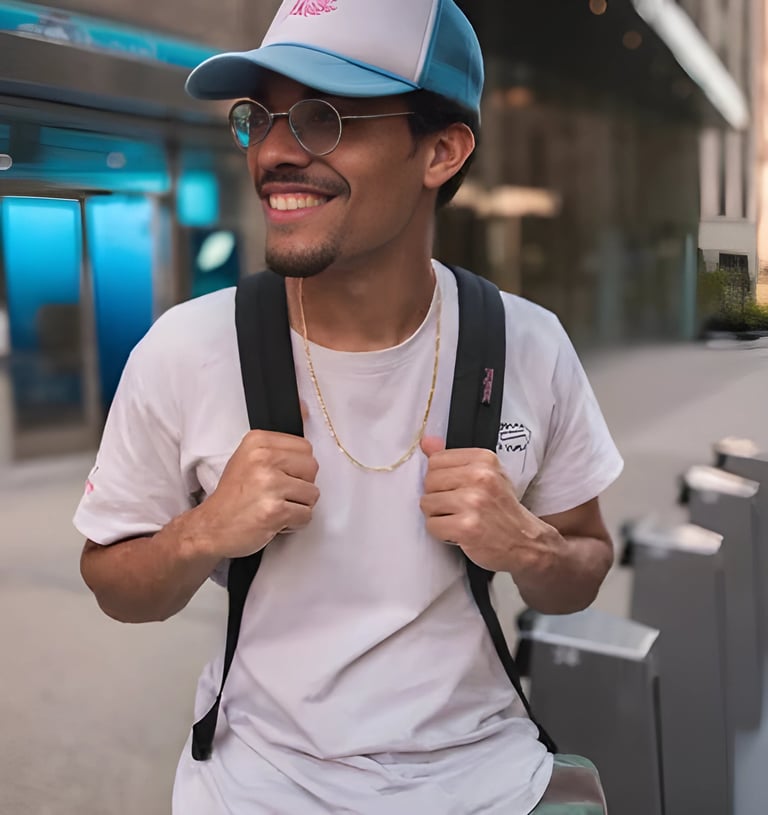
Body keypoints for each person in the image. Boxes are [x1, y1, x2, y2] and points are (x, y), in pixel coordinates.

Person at [75, 0, 623, 812]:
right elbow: (115, 584)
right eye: (260, 116)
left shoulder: (528, 345)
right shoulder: (184, 348)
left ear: (442, 149)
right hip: (255, 786)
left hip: (487, 783)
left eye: (324, 118)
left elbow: (583, 566)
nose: (274, 152)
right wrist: (202, 531)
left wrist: (527, 543)